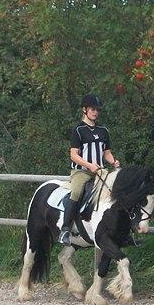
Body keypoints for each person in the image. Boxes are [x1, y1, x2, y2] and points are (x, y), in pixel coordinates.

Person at [58, 94, 120, 245]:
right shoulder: (78, 130)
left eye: (98, 110)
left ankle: (118, 229)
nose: (95, 112)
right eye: (93, 109)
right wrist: (89, 165)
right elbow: (73, 155)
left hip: (100, 171)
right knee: (77, 192)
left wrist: (114, 162)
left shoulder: (103, 130)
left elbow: (107, 153)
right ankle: (65, 229)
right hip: (81, 171)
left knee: (114, 191)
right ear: (85, 110)